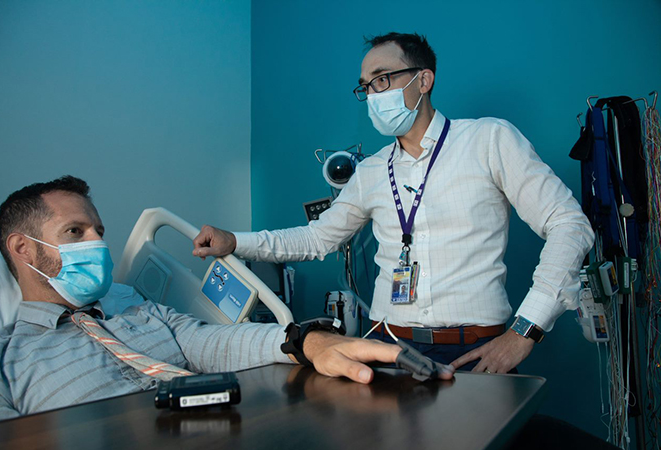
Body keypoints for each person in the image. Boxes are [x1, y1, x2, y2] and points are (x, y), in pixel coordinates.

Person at [193, 32, 594, 374]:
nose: (372, 94)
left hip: (471, 353)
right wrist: (234, 242)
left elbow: (569, 225)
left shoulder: (488, 141)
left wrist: (525, 330)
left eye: (382, 79)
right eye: (366, 86)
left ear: (423, 81)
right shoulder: (370, 171)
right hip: (388, 348)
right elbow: (317, 239)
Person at [0, 175, 432, 430]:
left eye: (99, 232)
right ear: (23, 249)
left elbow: (213, 342)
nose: (98, 245)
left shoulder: (140, 311)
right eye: (75, 233)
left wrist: (305, 341)